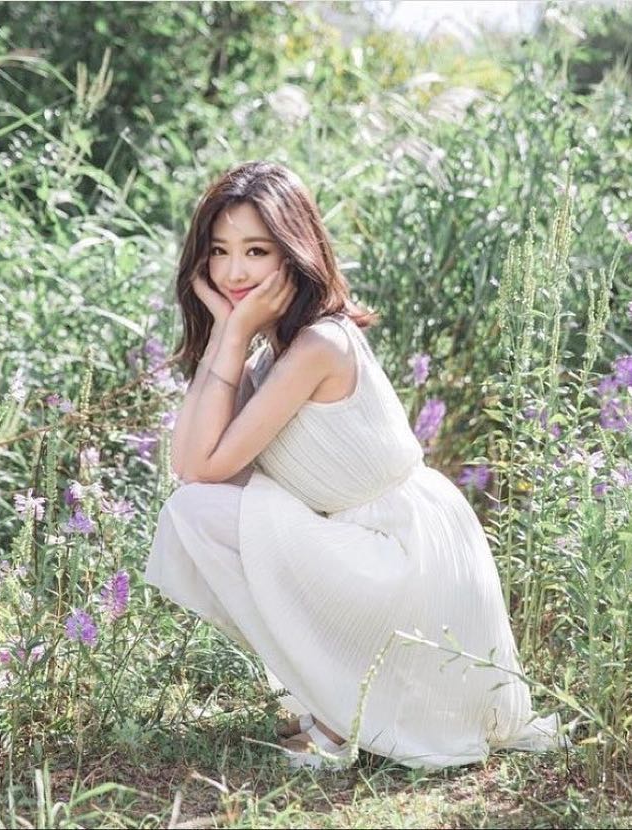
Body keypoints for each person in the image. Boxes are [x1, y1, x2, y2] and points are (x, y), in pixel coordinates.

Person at [145, 160, 566, 770]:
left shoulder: (320, 344)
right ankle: (332, 700)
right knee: (194, 509)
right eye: (219, 252)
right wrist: (225, 335)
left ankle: (338, 712)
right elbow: (190, 463)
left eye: (256, 251)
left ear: (295, 253)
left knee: (200, 510)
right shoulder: (271, 352)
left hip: (404, 558)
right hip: (367, 545)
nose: (233, 272)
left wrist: (231, 334)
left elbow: (202, 472)